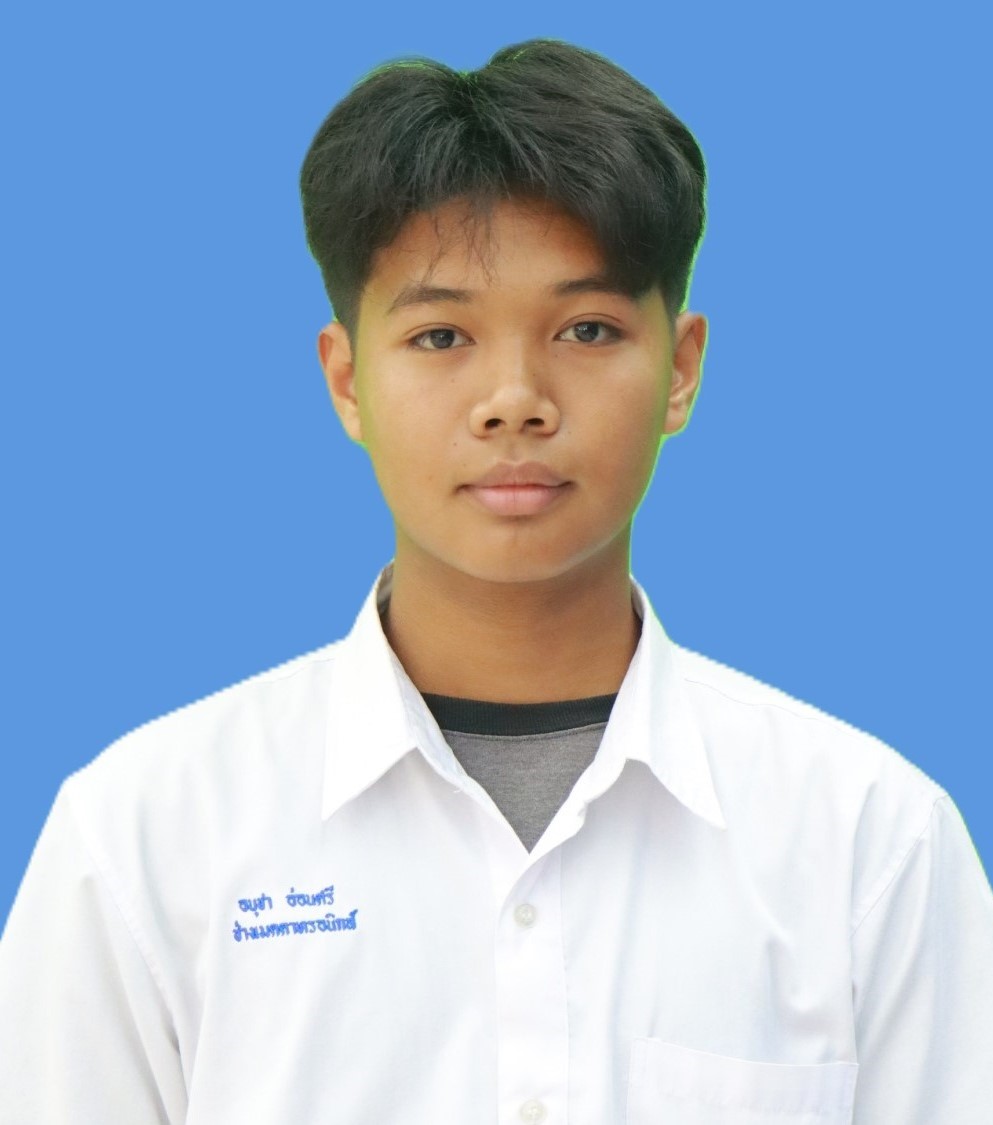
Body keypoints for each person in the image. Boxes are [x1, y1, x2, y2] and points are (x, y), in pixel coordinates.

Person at [2, 37, 991, 1125]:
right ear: (346, 379)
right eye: (440, 335)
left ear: (681, 368)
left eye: (587, 329)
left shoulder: (869, 843)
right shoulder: (144, 837)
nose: (514, 398)